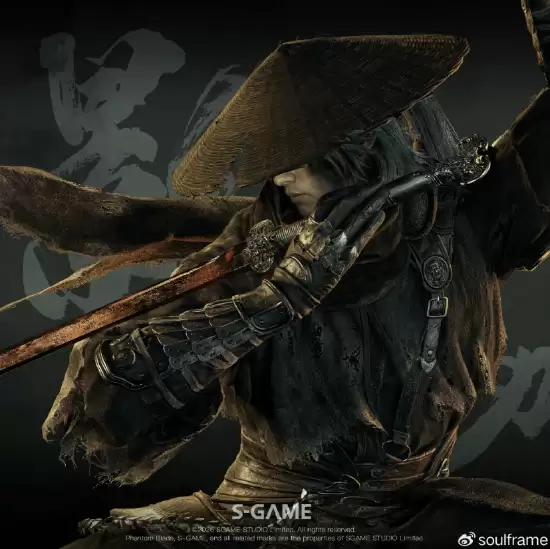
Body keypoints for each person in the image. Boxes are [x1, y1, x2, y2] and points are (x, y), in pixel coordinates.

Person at [25, 31, 550, 548]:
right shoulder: (255, 246)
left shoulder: (463, 221)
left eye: (297, 159)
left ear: (359, 153)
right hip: (267, 515)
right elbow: (116, 397)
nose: (279, 180)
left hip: (412, 515)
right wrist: (277, 299)